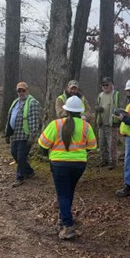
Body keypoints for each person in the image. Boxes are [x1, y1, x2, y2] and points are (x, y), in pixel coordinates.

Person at [38, 95, 97, 240]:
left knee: (63, 194)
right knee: (68, 191)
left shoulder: (56, 124)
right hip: (79, 165)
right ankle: (63, 218)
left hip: (59, 164)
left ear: (66, 110)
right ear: (80, 111)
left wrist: (48, 154)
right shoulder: (86, 126)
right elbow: (92, 146)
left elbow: (42, 143)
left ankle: (67, 225)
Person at [4, 81, 41, 188]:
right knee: (14, 153)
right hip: (15, 134)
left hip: (25, 135)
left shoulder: (33, 103)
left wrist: (32, 135)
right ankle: (29, 171)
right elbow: (10, 118)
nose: (21, 92)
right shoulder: (15, 102)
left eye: (23, 90)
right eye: (19, 90)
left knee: (21, 156)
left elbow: (34, 120)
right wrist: (7, 133)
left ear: (27, 90)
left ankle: (20, 177)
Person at [95, 76, 120, 169]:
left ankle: (113, 162)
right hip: (102, 123)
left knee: (112, 145)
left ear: (111, 85)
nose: (105, 86)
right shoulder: (100, 95)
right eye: (104, 85)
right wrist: (97, 108)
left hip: (112, 124)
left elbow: (120, 107)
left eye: (107, 84)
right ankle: (104, 160)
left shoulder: (116, 94)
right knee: (102, 143)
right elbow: (96, 105)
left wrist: (118, 120)